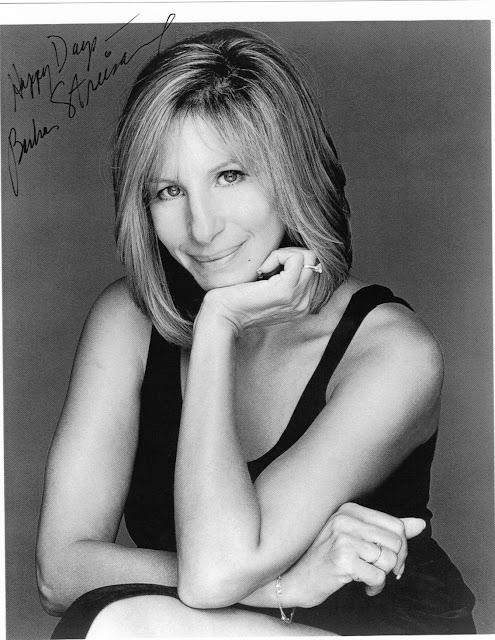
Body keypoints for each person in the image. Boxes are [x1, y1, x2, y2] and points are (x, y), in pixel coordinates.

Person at [36, 28, 476, 637]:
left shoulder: (394, 353)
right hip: (223, 625)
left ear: (291, 174)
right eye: (169, 190)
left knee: (119, 623)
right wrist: (284, 587)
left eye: (230, 175)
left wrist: (217, 322)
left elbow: (213, 573)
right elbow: (59, 574)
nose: (201, 227)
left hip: (380, 630)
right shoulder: (127, 320)